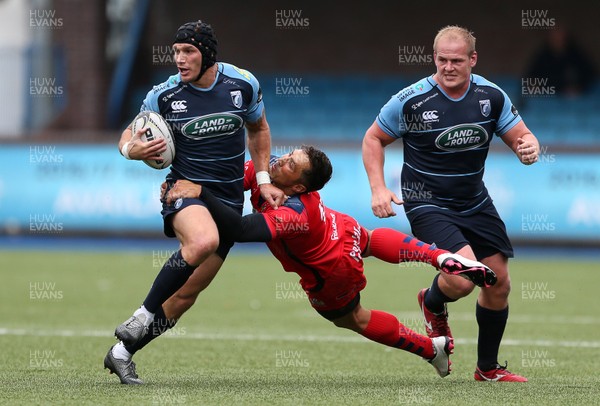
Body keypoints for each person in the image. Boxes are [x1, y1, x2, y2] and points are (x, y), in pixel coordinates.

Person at [162, 145, 498, 380]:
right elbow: (237, 173)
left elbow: (238, 229)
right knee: (366, 238)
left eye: (290, 165)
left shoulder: (293, 213)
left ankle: (430, 349)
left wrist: (200, 192)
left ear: (298, 186)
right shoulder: (274, 176)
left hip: (333, 269)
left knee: (354, 318)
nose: (279, 162)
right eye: (288, 155)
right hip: (341, 227)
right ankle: (438, 255)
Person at [104, 20, 285, 384]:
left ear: (208, 55)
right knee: (204, 241)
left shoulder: (242, 84)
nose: (180, 60)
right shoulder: (164, 95)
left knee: (185, 295)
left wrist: (263, 179)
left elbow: (259, 129)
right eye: (176, 52)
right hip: (184, 192)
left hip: (228, 201)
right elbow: (130, 133)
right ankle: (141, 314)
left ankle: (121, 354)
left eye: (189, 52)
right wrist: (130, 149)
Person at [362, 25, 540, 382]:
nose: (448, 67)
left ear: (472, 59)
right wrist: (378, 188)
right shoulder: (411, 101)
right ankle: (432, 303)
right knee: (464, 279)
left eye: (456, 60)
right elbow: (373, 138)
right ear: (434, 58)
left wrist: (529, 147)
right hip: (426, 202)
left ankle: (487, 369)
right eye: (441, 59)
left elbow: (522, 136)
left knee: (499, 282)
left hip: (474, 201)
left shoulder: (491, 96)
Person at [526, 26, 597, 96]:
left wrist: (579, 88)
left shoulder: (576, 54)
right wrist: (533, 85)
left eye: (560, 34)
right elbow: (531, 75)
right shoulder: (542, 55)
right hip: (548, 97)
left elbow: (590, 75)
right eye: (554, 35)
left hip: (571, 99)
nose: (557, 38)